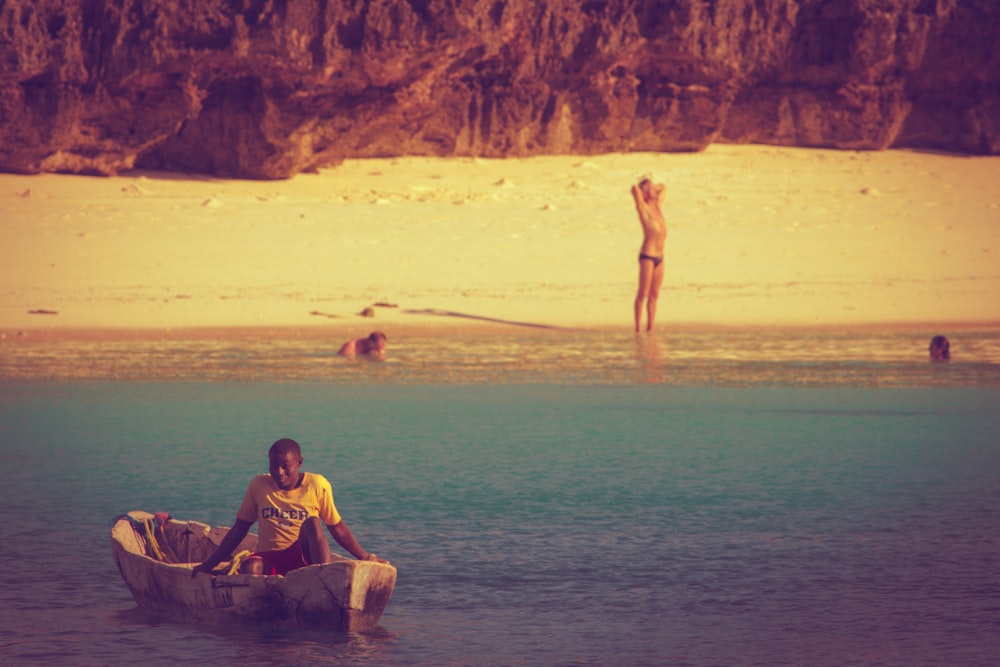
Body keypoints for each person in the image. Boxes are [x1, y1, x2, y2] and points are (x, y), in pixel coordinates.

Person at [191, 438, 386, 578]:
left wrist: (366, 558)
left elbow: (338, 528)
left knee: (313, 523)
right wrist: (208, 565)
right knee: (250, 567)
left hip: (301, 558)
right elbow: (239, 531)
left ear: (299, 462)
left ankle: (323, 582)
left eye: (285, 466)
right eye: (273, 465)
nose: (279, 472)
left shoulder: (317, 485)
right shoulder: (259, 485)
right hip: (271, 559)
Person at [631, 176, 668, 332]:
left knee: (654, 295)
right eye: (650, 189)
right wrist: (643, 188)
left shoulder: (657, 207)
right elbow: (634, 188)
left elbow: (664, 187)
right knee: (643, 294)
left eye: (653, 188)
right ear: (645, 193)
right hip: (647, 255)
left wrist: (653, 187)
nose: (654, 190)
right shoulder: (643, 209)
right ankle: (638, 330)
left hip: (660, 257)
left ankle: (650, 329)